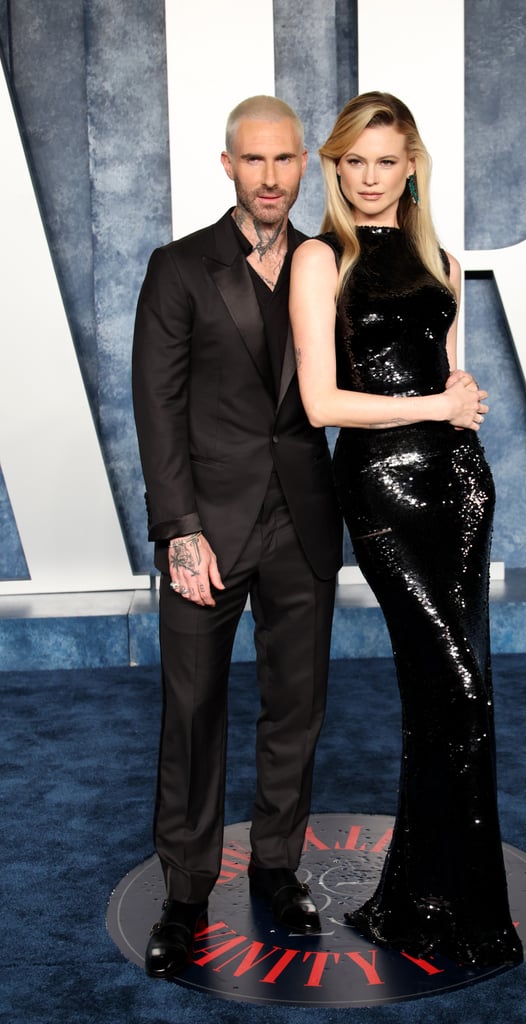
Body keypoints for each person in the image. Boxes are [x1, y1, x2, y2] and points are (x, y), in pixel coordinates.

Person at [289, 91, 523, 969]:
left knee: (460, 697)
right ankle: (438, 902)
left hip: (460, 486)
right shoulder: (321, 259)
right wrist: (436, 404)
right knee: (453, 689)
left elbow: (455, 382)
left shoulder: (444, 264)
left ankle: (435, 902)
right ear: (336, 168)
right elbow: (321, 403)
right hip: (382, 486)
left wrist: (458, 408)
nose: (369, 177)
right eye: (354, 161)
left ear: (410, 164)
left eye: (385, 161)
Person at [131, 95, 342, 980]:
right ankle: (185, 893)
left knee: (295, 708)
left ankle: (277, 867)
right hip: (206, 528)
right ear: (227, 165)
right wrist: (179, 530)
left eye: (284, 160)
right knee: (193, 711)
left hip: (301, 519)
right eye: (252, 161)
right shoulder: (179, 267)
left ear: (304, 167)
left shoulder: (327, 262)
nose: (269, 177)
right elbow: (156, 407)